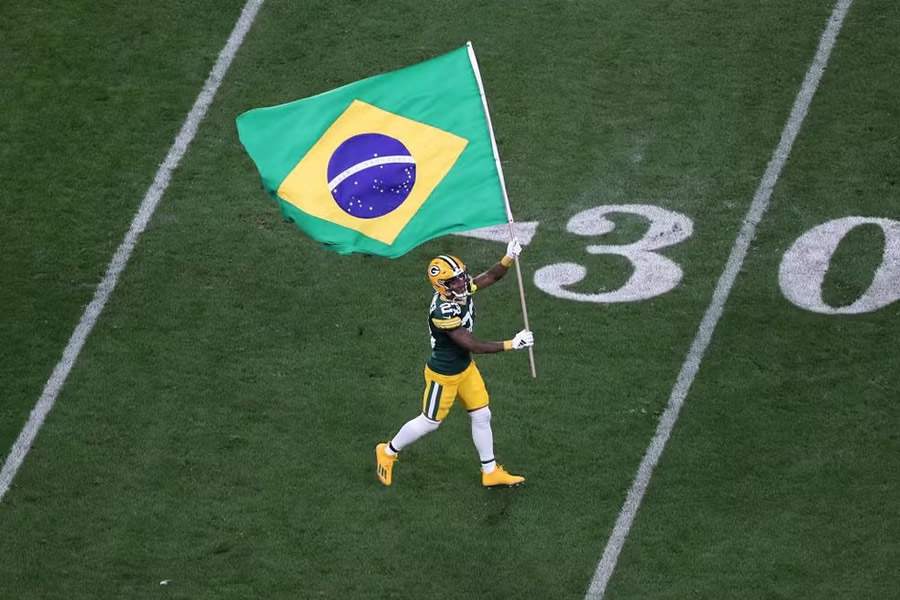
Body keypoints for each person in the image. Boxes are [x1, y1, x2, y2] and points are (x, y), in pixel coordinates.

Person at [375, 239, 534, 487]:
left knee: (482, 414)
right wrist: (512, 344)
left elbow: (490, 276)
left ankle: (490, 471)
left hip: (465, 368)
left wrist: (508, 257)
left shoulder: (459, 289)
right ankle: (387, 451)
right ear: (442, 285)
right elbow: (471, 344)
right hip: (444, 374)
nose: (461, 283)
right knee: (429, 422)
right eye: (454, 280)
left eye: (461, 276)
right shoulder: (443, 310)